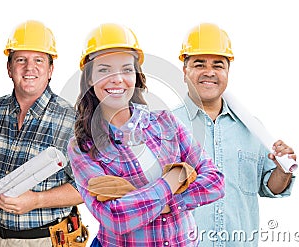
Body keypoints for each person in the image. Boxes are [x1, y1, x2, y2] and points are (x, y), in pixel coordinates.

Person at [67, 23, 225, 247]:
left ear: (136, 75)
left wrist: (154, 200)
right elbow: (117, 219)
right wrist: (174, 179)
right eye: (104, 70)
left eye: (126, 69)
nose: (117, 79)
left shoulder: (166, 123)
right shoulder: (82, 146)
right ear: (90, 78)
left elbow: (215, 181)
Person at [173, 22, 297, 247]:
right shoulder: (166, 128)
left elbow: (271, 186)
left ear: (227, 72)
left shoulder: (252, 129)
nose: (209, 72)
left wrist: (282, 170)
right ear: (184, 71)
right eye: (199, 64)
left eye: (218, 65)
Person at [0, 20, 82, 246]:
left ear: (50, 70)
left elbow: (88, 186)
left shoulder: (71, 120)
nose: (29, 68)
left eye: (38, 60)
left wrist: (36, 200)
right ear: (9, 68)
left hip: (44, 239)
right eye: (21, 60)